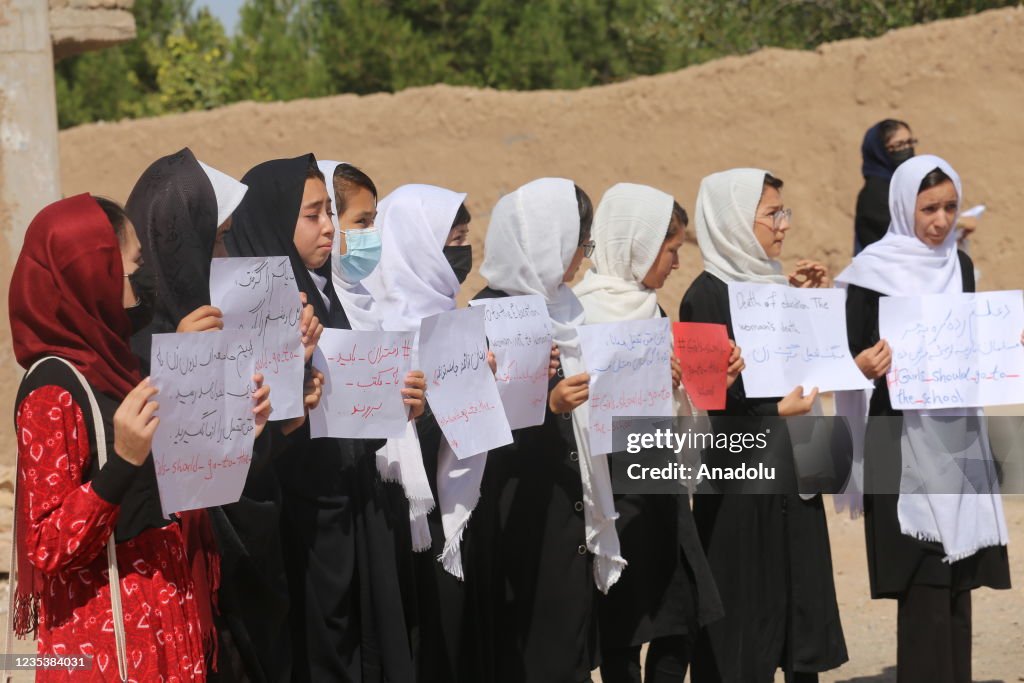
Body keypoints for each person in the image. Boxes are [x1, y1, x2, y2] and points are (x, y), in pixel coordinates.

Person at [9, 194, 269, 681]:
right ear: (93, 276)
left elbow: (172, 474)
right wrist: (122, 464)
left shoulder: (120, 366)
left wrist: (239, 433)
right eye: (131, 270)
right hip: (103, 643)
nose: (141, 285)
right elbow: (45, 545)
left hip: (161, 619)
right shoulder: (52, 389)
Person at [124, 147, 323, 681]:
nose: (224, 253)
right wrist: (176, 360)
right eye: (214, 239)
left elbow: (254, 456)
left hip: (250, 558)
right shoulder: (132, 343)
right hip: (183, 576)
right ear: (178, 240)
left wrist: (287, 396)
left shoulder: (225, 318)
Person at [225, 155, 425, 683]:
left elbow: (351, 410)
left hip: (347, 511)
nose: (330, 229)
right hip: (296, 527)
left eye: (329, 214)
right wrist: (293, 368)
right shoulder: (244, 308)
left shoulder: (325, 294)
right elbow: (249, 433)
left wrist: (403, 406)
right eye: (313, 215)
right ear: (273, 218)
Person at [837, 154, 1011, 683]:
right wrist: (861, 367)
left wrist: (1008, 346)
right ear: (902, 205)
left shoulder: (958, 266)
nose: (941, 220)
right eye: (929, 207)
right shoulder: (869, 273)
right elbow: (843, 357)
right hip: (898, 437)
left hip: (957, 434)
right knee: (923, 578)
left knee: (958, 575)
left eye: (951, 207)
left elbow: (970, 340)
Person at [679, 169, 848, 683]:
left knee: (796, 625)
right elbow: (713, 413)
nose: (783, 226)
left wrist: (809, 302)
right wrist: (776, 415)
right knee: (742, 630)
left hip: (792, 482)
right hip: (739, 493)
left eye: (784, 212)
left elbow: (815, 370)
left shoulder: (775, 288)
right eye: (772, 214)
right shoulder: (702, 299)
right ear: (732, 222)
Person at [574, 183, 736, 683]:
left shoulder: (655, 312)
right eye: (670, 250)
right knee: (623, 628)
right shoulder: (581, 311)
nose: (676, 263)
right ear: (640, 246)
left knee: (680, 617)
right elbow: (577, 405)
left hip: (661, 489)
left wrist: (703, 383)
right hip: (616, 493)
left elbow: (670, 405)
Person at [468, 177, 611, 683]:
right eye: (578, 243)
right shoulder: (486, 317)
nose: (582, 258)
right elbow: (473, 438)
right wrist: (547, 404)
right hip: (520, 527)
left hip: (568, 520)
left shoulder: (568, 310)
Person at [360, 182, 479, 682]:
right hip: (401, 524)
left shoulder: (457, 321)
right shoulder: (373, 324)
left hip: (457, 521)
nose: (462, 252)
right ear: (419, 244)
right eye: (451, 241)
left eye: (464, 239)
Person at [854, 119, 916, 254]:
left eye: (910, 142)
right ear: (879, 151)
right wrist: (955, 224)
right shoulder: (875, 193)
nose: (907, 149)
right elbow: (908, 230)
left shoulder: (908, 185)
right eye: (899, 144)